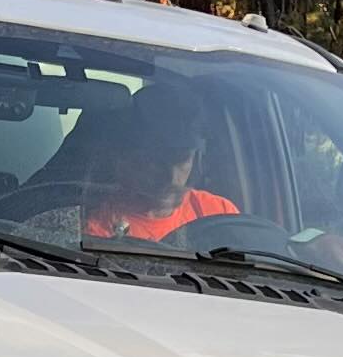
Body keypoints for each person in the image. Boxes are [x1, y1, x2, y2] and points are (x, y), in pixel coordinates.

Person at [76, 89, 238, 247]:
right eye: (156, 162)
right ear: (123, 161)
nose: (171, 177)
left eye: (181, 159)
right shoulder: (98, 232)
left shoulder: (219, 214)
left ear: (196, 159)